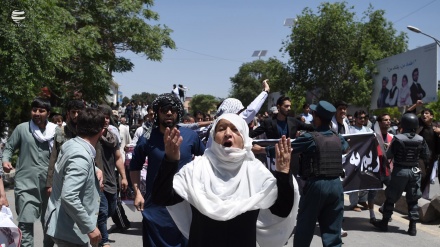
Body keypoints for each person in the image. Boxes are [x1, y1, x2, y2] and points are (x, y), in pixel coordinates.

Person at [152, 113, 298, 247]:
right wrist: (170, 160)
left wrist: (283, 173)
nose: (228, 134)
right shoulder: (196, 169)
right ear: (213, 137)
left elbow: (282, 210)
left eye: (235, 130)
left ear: (244, 138)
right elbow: (162, 197)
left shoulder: (256, 171)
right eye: (221, 129)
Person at [130, 93, 205, 247]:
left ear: (178, 112)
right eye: (164, 109)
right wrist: (137, 193)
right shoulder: (147, 137)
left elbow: (206, 162)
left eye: (173, 109)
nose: (169, 112)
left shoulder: (190, 136)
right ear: (158, 112)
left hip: (184, 203)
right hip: (155, 207)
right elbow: (135, 166)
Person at [291, 101, 349, 247]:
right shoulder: (337, 137)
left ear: (316, 118)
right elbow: (346, 148)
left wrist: (262, 150)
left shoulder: (310, 137)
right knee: (333, 234)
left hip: (316, 185)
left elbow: (286, 149)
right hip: (336, 185)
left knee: (304, 229)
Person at [2, 98, 57, 247]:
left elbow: (65, 154)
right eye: (34, 110)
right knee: (25, 224)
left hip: (50, 185)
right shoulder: (22, 129)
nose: (37, 113)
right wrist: (6, 160)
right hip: (25, 184)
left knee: (50, 223)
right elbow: (9, 148)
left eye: (41, 110)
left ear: (48, 113)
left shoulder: (56, 132)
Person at [45, 108, 104, 247]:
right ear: (102, 131)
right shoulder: (81, 156)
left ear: (77, 126)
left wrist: (94, 169)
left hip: (63, 226)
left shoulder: (71, 144)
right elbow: (70, 196)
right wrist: (89, 227)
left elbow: (69, 165)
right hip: (70, 232)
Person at [372, 113, 430, 236]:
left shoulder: (398, 138)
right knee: (413, 199)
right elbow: (427, 156)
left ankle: (384, 223)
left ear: (403, 124)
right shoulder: (420, 139)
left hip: (400, 172)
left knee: (391, 198)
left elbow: (388, 156)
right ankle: (412, 227)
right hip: (414, 171)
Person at [96, 105, 128, 247]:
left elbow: (118, 158)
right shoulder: (92, 136)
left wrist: (124, 177)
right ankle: (104, 241)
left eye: (108, 118)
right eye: (103, 118)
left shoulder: (112, 136)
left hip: (111, 180)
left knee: (111, 209)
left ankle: (94, 232)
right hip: (97, 181)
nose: (106, 120)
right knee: (102, 212)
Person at [46, 100, 87, 196]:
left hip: (84, 178)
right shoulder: (61, 132)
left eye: (79, 112)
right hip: (64, 179)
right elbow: (54, 157)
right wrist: (49, 183)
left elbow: (97, 156)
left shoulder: (88, 132)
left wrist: (102, 181)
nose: (76, 115)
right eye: (73, 112)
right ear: (68, 113)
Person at [406, 101, 440, 199]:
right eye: (423, 113)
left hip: (431, 158)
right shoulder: (418, 125)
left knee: (425, 180)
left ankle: (417, 199)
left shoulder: (436, 126)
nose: (424, 115)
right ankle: (412, 197)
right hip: (418, 156)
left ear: (432, 116)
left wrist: (439, 133)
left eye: (426, 113)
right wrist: (416, 105)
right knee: (421, 175)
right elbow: (407, 114)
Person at [347, 110, 373, 212]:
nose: (362, 120)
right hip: (353, 159)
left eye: (364, 118)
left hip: (366, 159)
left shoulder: (368, 130)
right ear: (355, 118)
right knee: (355, 181)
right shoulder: (350, 129)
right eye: (360, 118)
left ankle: (362, 200)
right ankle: (353, 203)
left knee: (365, 179)